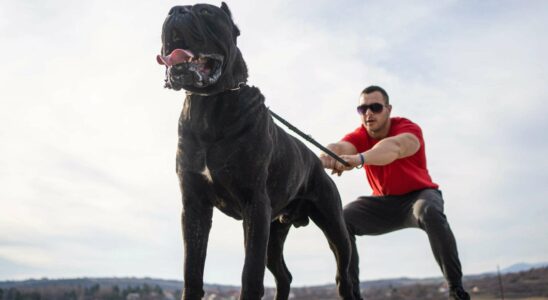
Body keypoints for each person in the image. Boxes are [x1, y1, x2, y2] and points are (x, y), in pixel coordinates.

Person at [319, 86, 470, 300]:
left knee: (428, 211)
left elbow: (394, 147)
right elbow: (341, 147)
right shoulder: (360, 135)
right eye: (362, 109)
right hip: (382, 204)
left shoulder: (408, 129)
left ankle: (456, 291)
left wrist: (361, 158)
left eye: (375, 107)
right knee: (340, 219)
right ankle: (351, 295)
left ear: (388, 109)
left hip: (419, 197)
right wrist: (326, 156)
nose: (368, 113)